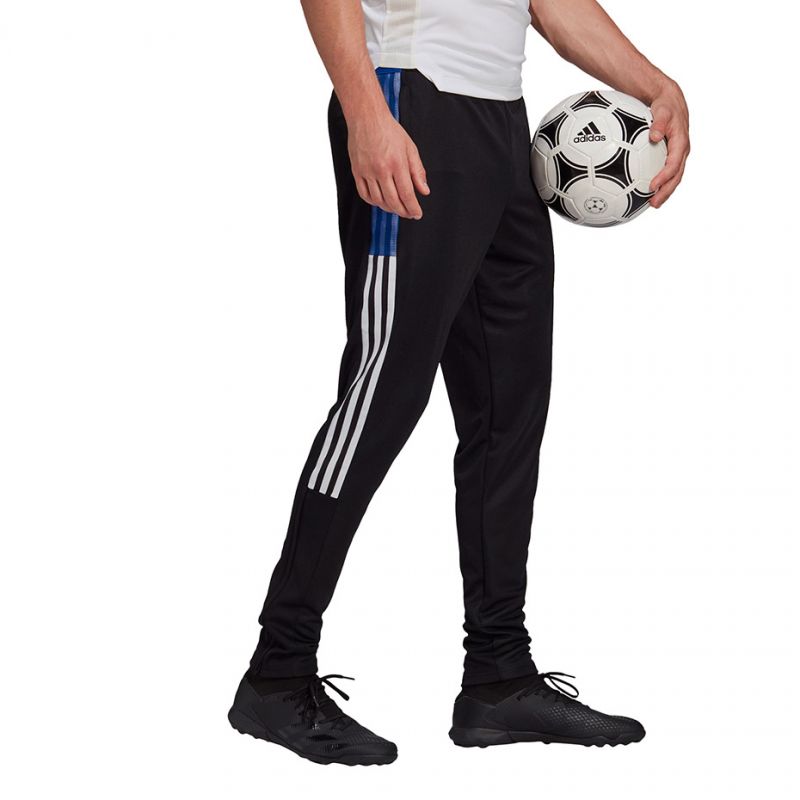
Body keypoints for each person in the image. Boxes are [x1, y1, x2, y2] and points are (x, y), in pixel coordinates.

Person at [228, 0, 689, 766]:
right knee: (382, 395)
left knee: (510, 407)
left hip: (502, 128)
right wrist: (365, 112)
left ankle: (499, 676)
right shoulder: (384, 107)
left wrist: (656, 84)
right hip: (410, 105)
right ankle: (277, 671)